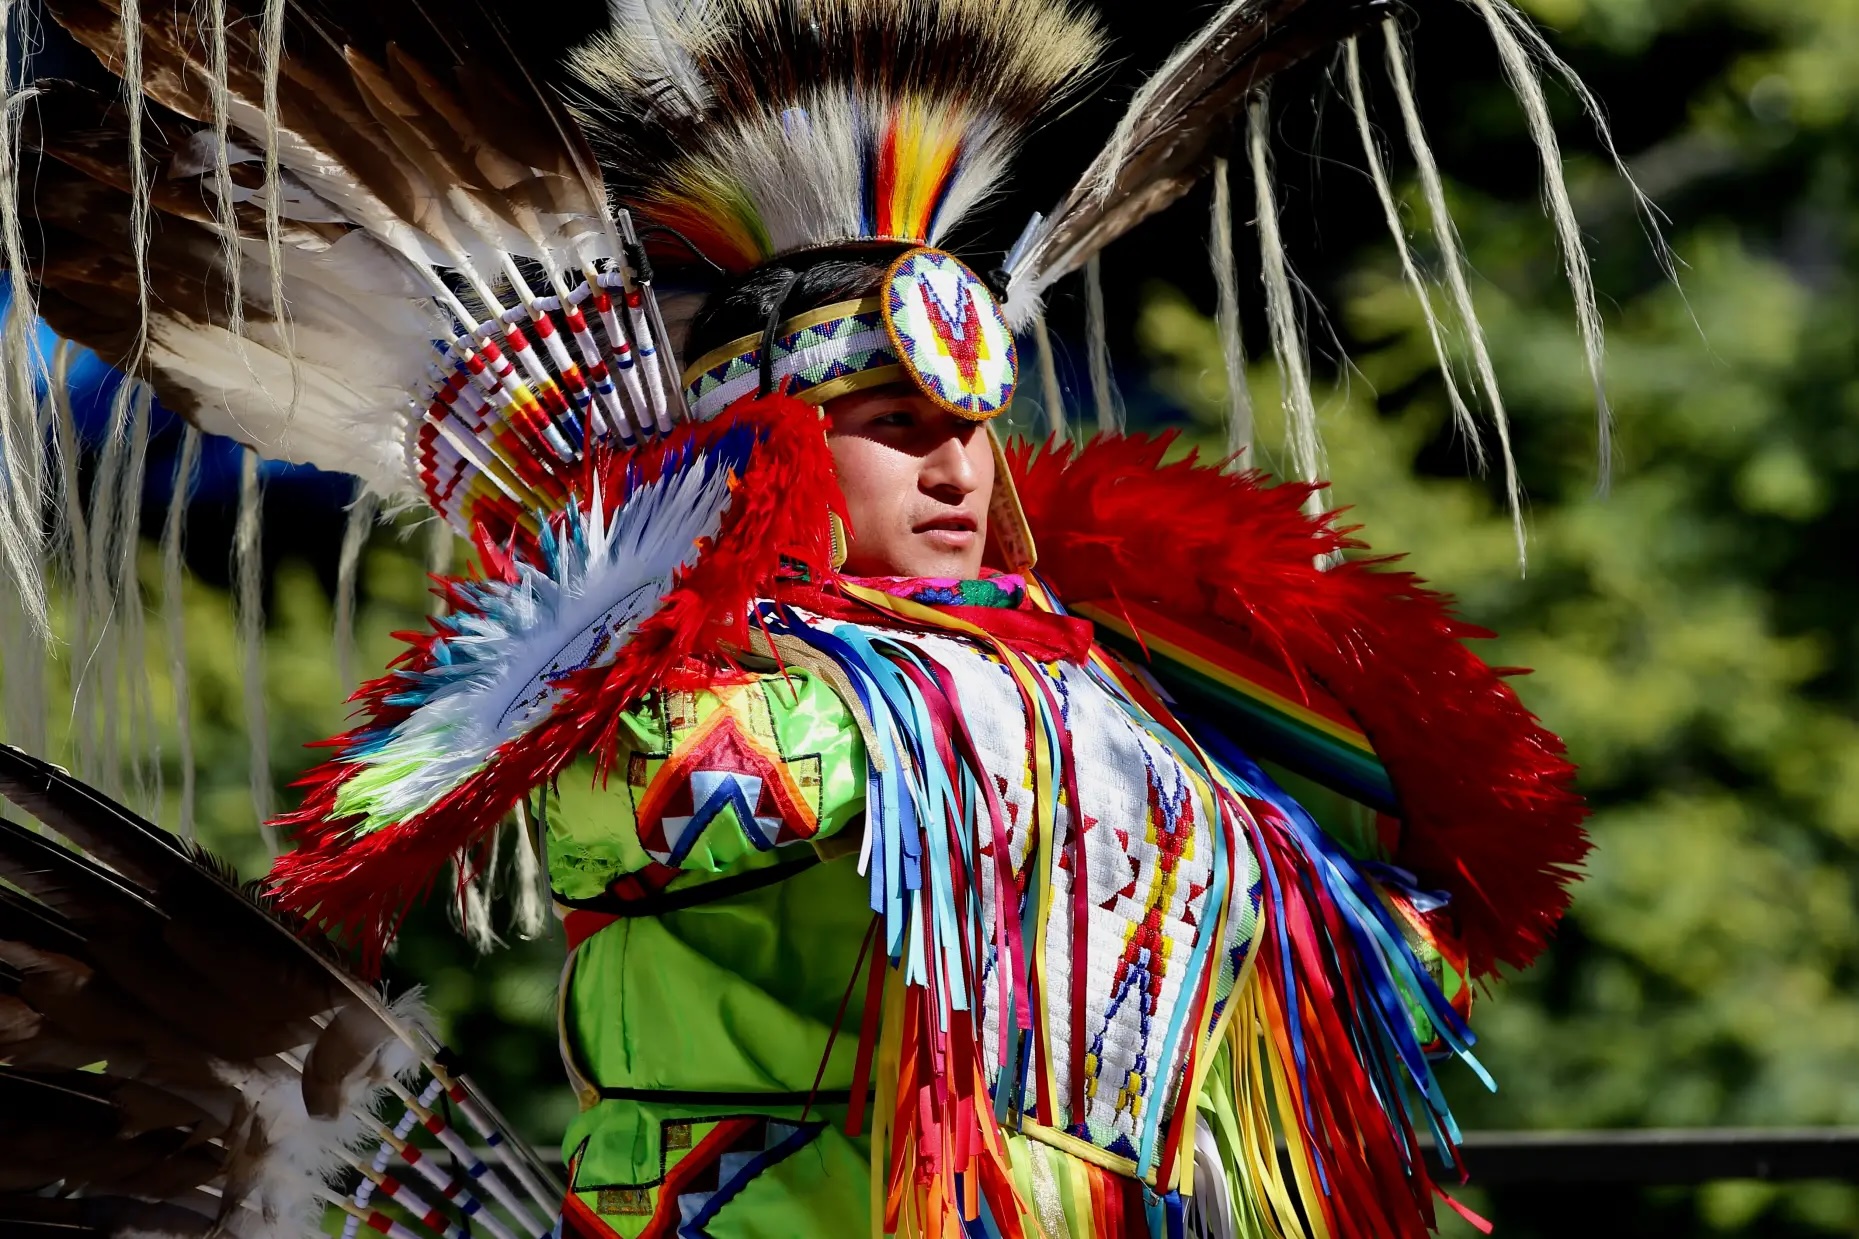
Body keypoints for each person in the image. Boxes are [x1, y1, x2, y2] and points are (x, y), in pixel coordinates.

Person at [0, 1, 1600, 1236]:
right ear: (774, 447)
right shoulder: (698, 694)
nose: (957, 464)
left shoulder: (1090, 689)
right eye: (891, 421)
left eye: (971, 423)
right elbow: (677, 798)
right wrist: (625, 545)